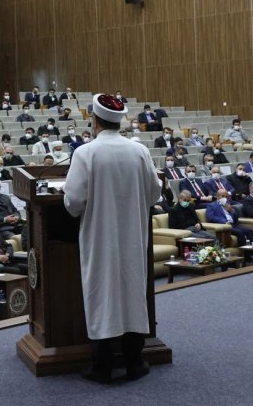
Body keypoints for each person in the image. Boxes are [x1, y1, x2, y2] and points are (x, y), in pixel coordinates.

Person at [63, 93, 160, 383]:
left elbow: (73, 202)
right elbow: (154, 192)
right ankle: (134, 360)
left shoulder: (85, 153)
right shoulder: (139, 151)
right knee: (132, 290)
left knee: (101, 292)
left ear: (94, 121)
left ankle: (102, 364)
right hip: (132, 234)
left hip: (99, 236)